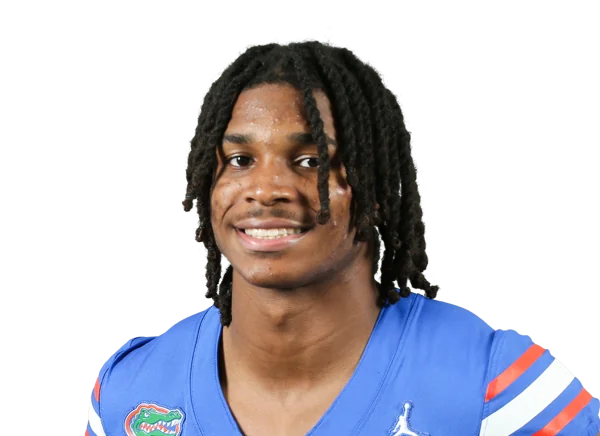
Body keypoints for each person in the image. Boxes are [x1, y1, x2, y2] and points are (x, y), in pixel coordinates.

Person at [85, 40, 600, 436]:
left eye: (311, 160)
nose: (265, 189)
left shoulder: (502, 388)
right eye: (240, 160)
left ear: (376, 190)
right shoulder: (127, 392)